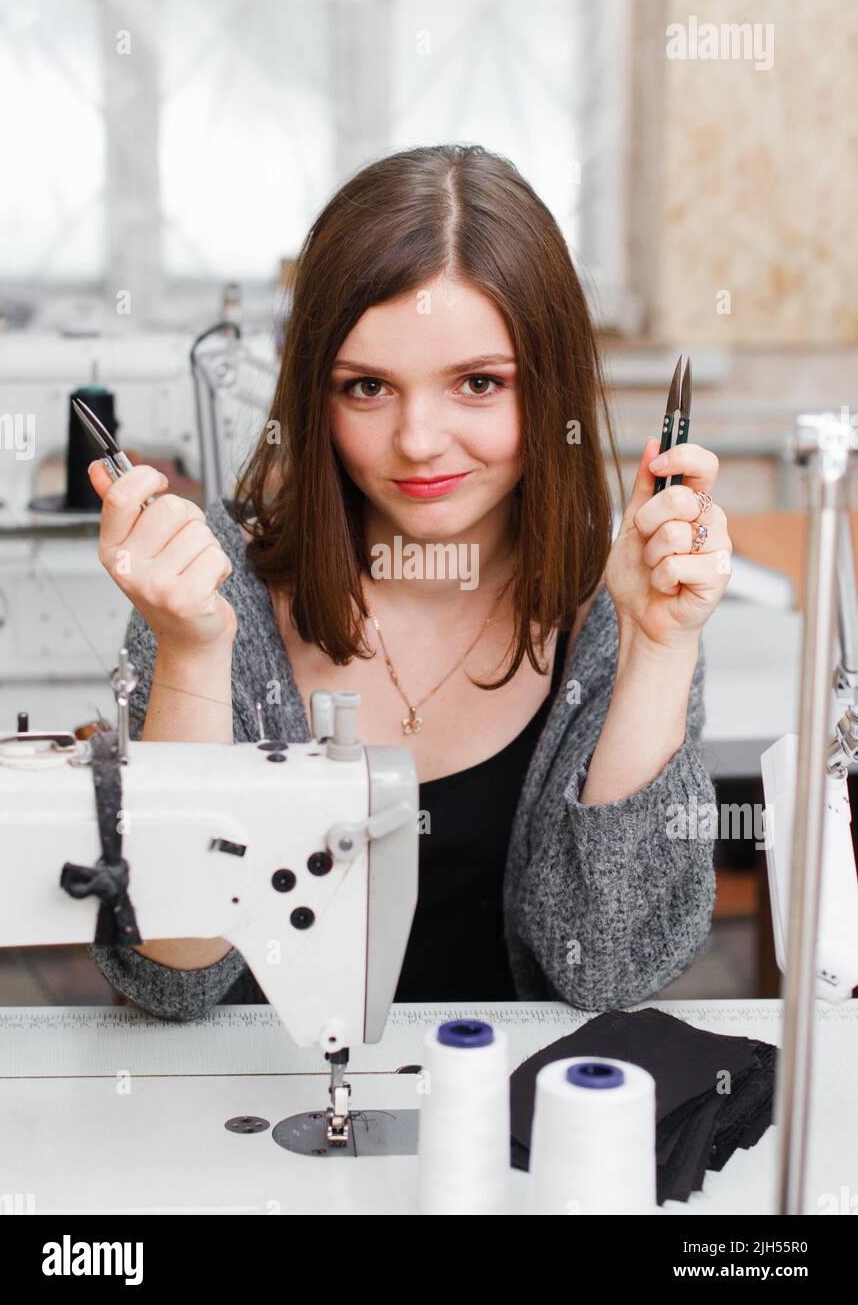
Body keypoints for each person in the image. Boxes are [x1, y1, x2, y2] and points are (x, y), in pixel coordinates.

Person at [88, 143, 731, 1019]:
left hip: (507, 1130)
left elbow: (609, 973)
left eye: (477, 383)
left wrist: (660, 650)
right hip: (239, 1128)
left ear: (549, 389)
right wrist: (193, 652)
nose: (420, 440)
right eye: (366, 388)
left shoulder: (618, 606)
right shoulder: (213, 590)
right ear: (313, 396)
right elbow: (175, 975)